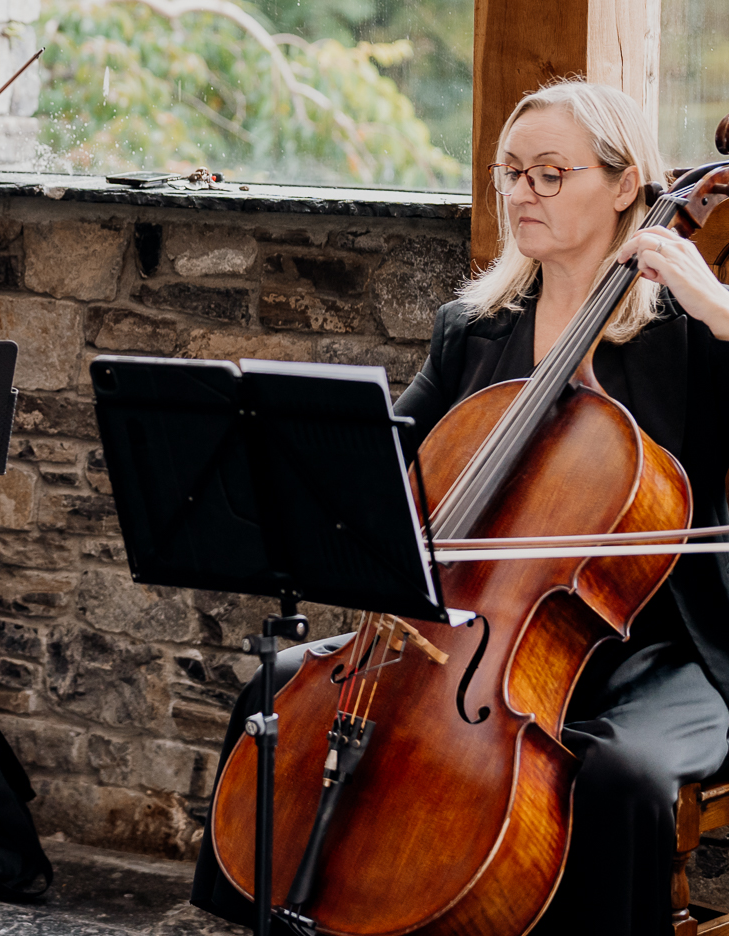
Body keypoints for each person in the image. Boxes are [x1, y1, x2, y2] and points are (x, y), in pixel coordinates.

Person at [189, 79, 729, 934]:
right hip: (471, 637)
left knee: (621, 773)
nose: (521, 193)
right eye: (509, 172)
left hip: (653, 647)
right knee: (280, 690)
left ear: (627, 185)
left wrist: (720, 309)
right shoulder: (475, 327)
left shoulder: (689, 339)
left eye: (551, 174)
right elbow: (382, 459)